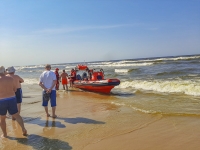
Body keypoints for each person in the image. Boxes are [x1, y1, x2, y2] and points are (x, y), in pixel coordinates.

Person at [0, 66, 27, 138]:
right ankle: (23, 129)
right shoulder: (10, 78)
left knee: (2, 118)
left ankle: (5, 134)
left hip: (2, 100)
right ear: (4, 71)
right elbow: (15, 89)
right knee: (17, 115)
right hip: (12, 98)